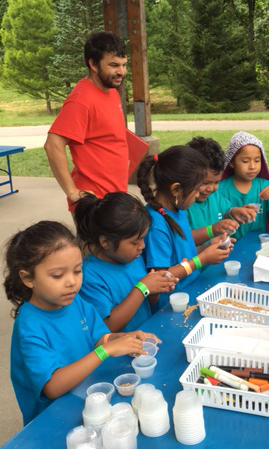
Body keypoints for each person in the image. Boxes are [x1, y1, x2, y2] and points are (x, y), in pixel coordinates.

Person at [4, 221, 146, 426]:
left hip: (88, 398)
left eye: (77, 271)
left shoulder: (74, 301)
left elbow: (99, 338)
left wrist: (123, 339)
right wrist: (106, 350)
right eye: (57, 275)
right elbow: (53, 387)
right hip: (54, 419)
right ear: (28, 279)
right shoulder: (30, 326)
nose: (71, 282)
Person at [44, 32, 128, 210]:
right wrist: (73, 193)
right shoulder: (81, 100)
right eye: (114, 65)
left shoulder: (111, 90)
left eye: (123, 65)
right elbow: (53, 145)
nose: (121, 72)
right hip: (95, 202)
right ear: (93, 64)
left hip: (115, 196)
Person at [74, 192, 178, 333]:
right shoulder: (89, 276)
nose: (142, 246)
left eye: (143, 239)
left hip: (146, 338)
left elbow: (147, 306)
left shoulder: (133, 258)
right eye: (135, 242)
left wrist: (154, 290)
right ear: (105, 242)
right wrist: (142, 289)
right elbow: (107, 327)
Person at [137, 146, 231, 296]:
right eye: (196, 189)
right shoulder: (156, 226)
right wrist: (201, 260)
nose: (198, 195)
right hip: (173, 302)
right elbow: (161, 277)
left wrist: (208, 249)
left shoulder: (177, 210)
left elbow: (182, 254)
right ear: (176, 190)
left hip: (192, 288)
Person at [218, 131, 269, 238]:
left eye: (257, 160)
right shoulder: (221, 189)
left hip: (259, 243)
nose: (252, 166)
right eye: (245, 161)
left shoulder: (265, 187)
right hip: (232, 245)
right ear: (231, 162)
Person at [186, 136, 258, 233]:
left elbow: (226, 212)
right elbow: (182, 239)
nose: (211, 188)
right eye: (205, 183)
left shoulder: (215, 196)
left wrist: (234, 213)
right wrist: (211, 231)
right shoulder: (184, 205)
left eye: (216, 182)